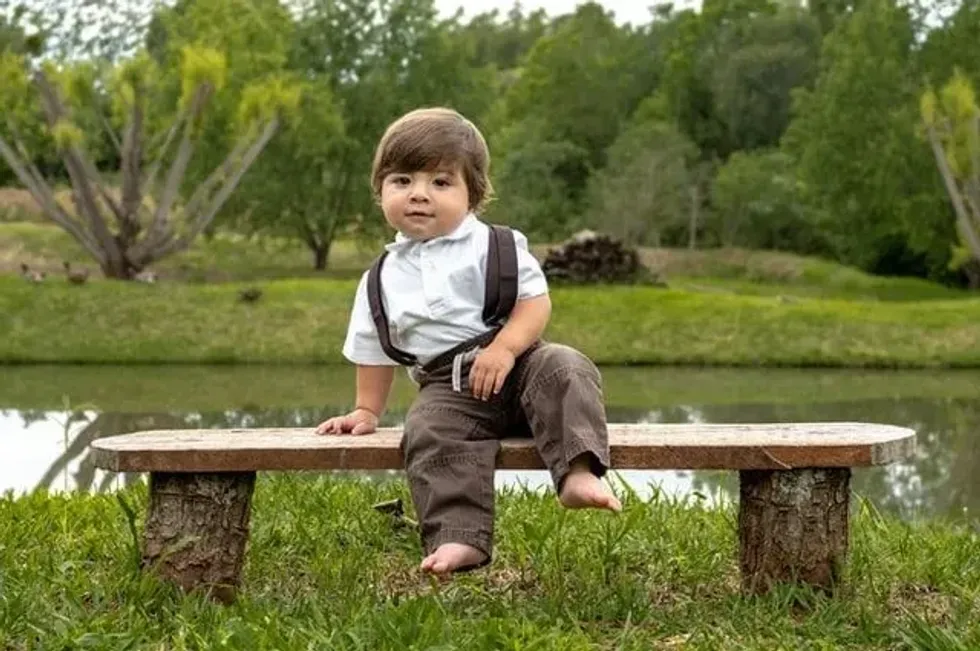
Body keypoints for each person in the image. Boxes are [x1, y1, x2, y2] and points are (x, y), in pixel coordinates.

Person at [315, 107, 621, 576]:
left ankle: (577, 472)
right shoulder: (381, 277)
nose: (419, 194)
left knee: (567, 366)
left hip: (520, 367)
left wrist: (505, 348)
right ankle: (461, 537)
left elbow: (534, 304)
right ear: (381, 192)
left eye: (440, 182)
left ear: (472, 194)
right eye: (402, 181)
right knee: (429, 432)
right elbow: (373, 348)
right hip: (449, 388)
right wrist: (366, 410)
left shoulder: (495, 245)